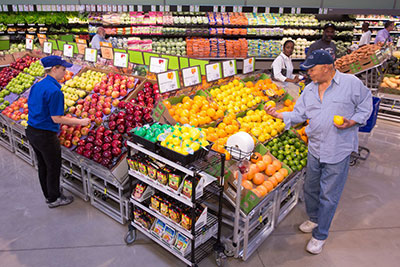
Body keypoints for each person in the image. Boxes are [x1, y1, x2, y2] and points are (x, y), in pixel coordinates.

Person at [264, 50, 372, 254]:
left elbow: (365, 106)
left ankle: (320, 235)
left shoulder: (350, 84)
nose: (308, 73)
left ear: (326, 68)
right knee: (310, 189)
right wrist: (278, 114)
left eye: (312, 69)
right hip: (315, 148)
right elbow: (298, 114)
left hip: (338, 150)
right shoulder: (310, 90)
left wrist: (353, 121)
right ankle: (314, 219)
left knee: (329, 195)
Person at [26, 56, 90, 208]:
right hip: (45, 135)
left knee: (43, 165)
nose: (65, 72)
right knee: (53, 166)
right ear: (54, 69)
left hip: (31, 130)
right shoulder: (55, 91)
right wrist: (80, 122)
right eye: (63, 69)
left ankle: (49, 194)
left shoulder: (38, 84)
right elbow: (56, 118)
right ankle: (54, 198)